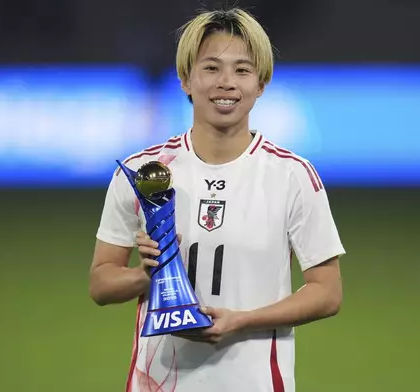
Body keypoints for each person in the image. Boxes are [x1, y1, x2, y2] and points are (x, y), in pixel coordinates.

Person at [89, 7, 345, 392]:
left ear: (261, 84)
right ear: (185, 79)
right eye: (211, 68)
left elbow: (327, 293)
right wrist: (145, 276)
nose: (227, 83)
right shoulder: (146, 172)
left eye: (242, 70)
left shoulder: (292, 175)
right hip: (159, 383)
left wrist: (240, 320)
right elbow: (101, 283)